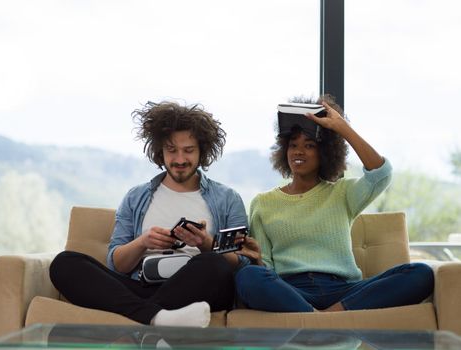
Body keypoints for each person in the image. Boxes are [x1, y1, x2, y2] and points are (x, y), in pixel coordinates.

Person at [50, 100, 248, 327]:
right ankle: (158, 318)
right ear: (159, 152)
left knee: (214, 264)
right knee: (64, 263)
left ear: (202, 151)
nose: (180, 159)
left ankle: (144, 317)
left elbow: (239, 265)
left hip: (199, 289)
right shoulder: (136, 197)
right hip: (142, 287)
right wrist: (143, 242)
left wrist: (206, 243)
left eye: (188, 150)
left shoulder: (228, 198)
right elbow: (117, 265)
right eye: (171, 150)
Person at [235, 94, 434, 313]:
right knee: (248, 276)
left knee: (420, 273)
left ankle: (322, 317)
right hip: (292, 291)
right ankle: (321, 317)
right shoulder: (264, 203)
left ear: (325, 152)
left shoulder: (343, 193)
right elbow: (267, 270)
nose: (299, 151)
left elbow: (381, 174)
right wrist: (256, 261)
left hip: (345, 290)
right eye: (293, 145)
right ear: (284, 150)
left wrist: (342, 127)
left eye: (309, 145)